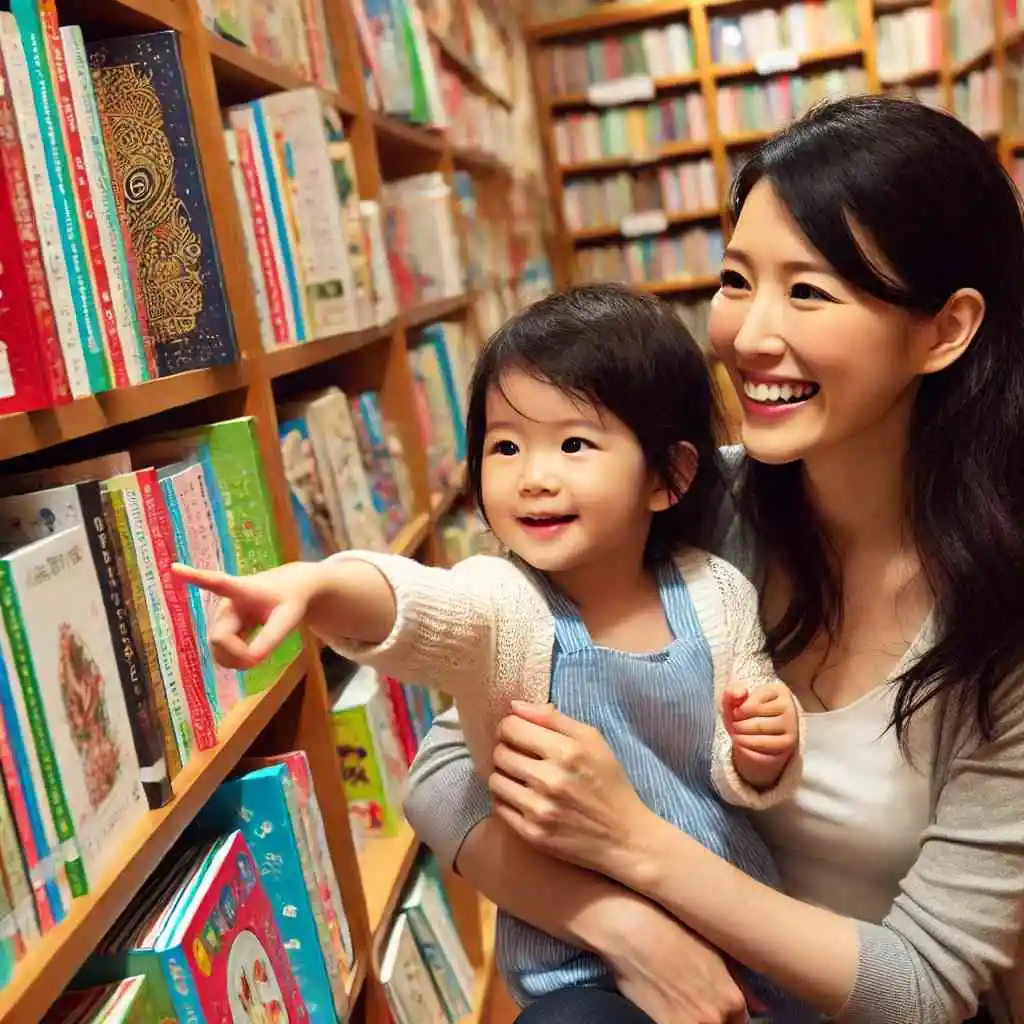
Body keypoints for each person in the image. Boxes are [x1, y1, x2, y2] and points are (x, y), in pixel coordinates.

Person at [402, 94, 1024, 1024]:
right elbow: (445, 769)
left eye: (807, 291)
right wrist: (620, 924)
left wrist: (638, 847)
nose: (747, 335)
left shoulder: (1001, 613)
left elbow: (925, 987)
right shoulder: (687, 507)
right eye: (737, 280)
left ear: (946, 329)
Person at [172, 284, 814, 1021]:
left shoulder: (716, 591)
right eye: (505, 446)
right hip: (584, 974)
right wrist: (318, 585)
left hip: (735, 929)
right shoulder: (505, 604)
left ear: (669, 476)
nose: (534, 475)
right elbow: (419, 606)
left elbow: (741, 763)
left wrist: (765, 745)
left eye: (574, 444)